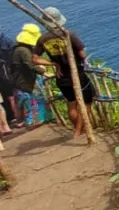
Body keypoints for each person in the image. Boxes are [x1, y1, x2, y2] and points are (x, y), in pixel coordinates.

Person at [34, 9, 95, 138]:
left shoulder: (43, 39)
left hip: (61, 78)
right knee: (87, 103)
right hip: (77, 75)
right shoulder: (69, 35)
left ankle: (78, 131)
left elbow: (34, 59)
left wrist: (54, 64)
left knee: (71, 104)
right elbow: (82, 54)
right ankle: (78, 132)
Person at [11, 24, 47, 128]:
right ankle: (37, 120)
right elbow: (29, 64)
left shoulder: (18, 48)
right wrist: (43, 71)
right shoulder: (23, 50)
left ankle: (37, 119)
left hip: (21, 78)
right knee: (34, 99)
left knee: (28, 100)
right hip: (26, 79)